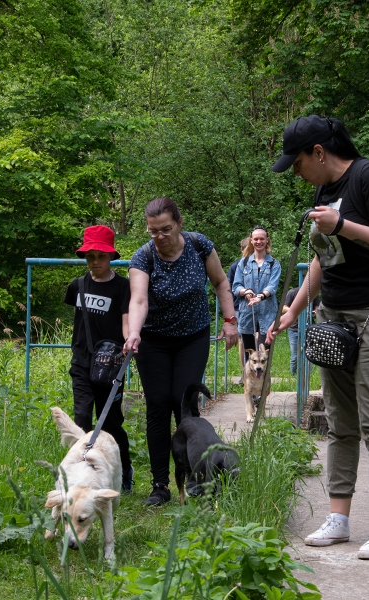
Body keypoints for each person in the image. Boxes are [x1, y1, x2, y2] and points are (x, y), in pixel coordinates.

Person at [267, 115, 369, 560]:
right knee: (339, 419)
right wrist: (294, 309)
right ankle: (339, 519)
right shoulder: (322, 191)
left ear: (318, 152)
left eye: (297, 163)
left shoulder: (368, 177)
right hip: (334, 313)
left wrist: (341, 224)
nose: (295, 172)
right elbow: (322, 258)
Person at [123, 197, 238, 506]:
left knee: (184, 402)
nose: (159, 237)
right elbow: (138, 300)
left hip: (192, 337)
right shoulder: (143, 257)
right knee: (158, 406)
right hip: (154, 340)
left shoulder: (199, 246)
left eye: (166, 229)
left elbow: (220, 281)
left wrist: (230, 321)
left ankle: (196, 478)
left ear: (179, 223)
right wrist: (133, 331)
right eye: (153, 231)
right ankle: (160, 485)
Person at [63, 225, 134, 493]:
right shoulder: (77, 286)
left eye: (101, 256)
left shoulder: (122, 287)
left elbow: (127, 320)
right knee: (82, 418)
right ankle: (81, 475)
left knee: (112, 423)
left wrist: (129, 341)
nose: (95, 262)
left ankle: (124, 470)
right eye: (90, 256)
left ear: (111, 257)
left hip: (110, 367)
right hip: (81, 363)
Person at [232, 225, 281, 360]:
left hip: (267, 314)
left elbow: (273, 286)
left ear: (267, 240)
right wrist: (245, 291)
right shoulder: (244, 263)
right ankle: (249, 381)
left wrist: (260, 296)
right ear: (251, 241)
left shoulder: (274, 264)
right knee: (250, 356)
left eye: (261, 239)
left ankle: (265, 381)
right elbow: (236, 286)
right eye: (256, 239)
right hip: (247, 314)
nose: (259, 242)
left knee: (264, 356)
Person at [282, 286, 319, 376]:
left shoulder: (313, 292)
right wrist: (297, 311)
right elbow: (284, 308)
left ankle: (308, 375)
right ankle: (293, 375)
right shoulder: (292, 292)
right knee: (295, 355)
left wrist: (313, 312)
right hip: (294, 329)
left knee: (309, 354)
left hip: (309, 328)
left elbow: (317, 309)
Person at [228, 237, 250, 385]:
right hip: (238, 307)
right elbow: (229, 288)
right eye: (247, 249)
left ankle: (254, 371)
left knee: (254, 338)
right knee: (242, 341)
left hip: (255, 307)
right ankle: (245, 373)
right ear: (242, 250)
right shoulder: (236, 266)